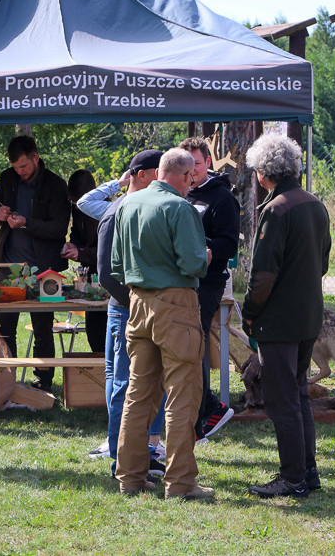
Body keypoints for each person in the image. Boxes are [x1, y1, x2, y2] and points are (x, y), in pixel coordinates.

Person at [112, 148, 212, 500]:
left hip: (137, 304)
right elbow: (194, 264)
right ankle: (181, 483)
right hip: (177, 307)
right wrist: (207, 256)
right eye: (191, 178)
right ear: (184, 176)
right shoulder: (180, 208)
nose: (191, 184)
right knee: (182, 397)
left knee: (138, 396)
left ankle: (130, 478)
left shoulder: (128, 204)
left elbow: (115, 264)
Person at [241, 134, 331, 499]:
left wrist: (250, 314)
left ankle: (292, 477)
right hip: (308, 315)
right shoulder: (315, 204)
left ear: (264, 173)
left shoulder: (276, 210)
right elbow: (323, 262)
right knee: (298, 395)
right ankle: (307, 473)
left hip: (279, 321)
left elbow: (263, 275)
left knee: (282, 401)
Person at [87, 149, 167, 478]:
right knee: (123, 385)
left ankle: (138, 450)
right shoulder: (118, 211)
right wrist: (138, 305)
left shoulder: (138, 208)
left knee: (128, 383)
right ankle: (123, 456)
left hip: (127, 309)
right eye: (159, 174)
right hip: (125, 310)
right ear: (144, 174)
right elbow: (106, 273)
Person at [0, 135, 69, 391]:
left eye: (23, 166)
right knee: (5, 327)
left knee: (43, 327)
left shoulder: (55, 185)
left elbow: (58, 228)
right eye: (15, 167)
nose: (19, 172)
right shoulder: (7, 178)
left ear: (36, 157)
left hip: (44, 270)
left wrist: (27, 223)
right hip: (8, 270)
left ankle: (43, 382)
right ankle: (5, 379)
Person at [178, 137, 239, 441]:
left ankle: (210, 409)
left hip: (208, 283)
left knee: (195, 343)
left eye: (197, 164)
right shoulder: (181, 194)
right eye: (186, 166)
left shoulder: (222, 198)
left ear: (208, 164)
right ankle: (195, 409)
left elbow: (228, 245)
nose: (192, 172)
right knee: (187, 344)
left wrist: (198, 245)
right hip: (180, 282)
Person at [62, 169, 105, 352]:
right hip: (89, 278)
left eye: (79, 203)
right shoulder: (77, 210)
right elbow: (77, 233)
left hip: (107, 278)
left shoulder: (106, 211)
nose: (77, 207)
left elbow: (109, 252)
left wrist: (81, 253)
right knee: (93, 332)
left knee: (105, 332)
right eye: (74, 203)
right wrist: (72, 245)